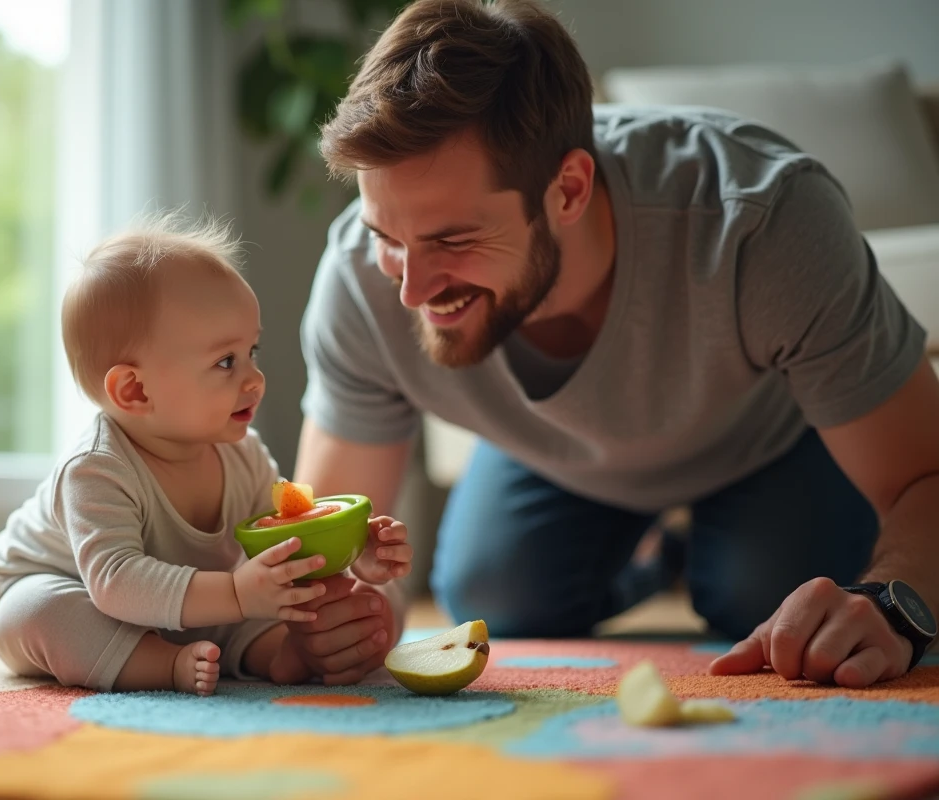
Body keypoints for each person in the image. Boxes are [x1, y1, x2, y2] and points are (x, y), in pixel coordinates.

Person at [287, 0, 939, 689]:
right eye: (387, 236)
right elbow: (332, 547)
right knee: (495, 601)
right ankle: (661, 555)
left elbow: (926, 478)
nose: (412, 290)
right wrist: (335, 622)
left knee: (770, 605)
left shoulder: (763, 222)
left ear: (567, 189)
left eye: (453, 240)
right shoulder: (360, 278)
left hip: (770, 443)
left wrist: (892, 605)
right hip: (556, 461)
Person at [0, 213, 411, 695]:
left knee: (255, 605)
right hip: (64, 588)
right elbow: (115, 582)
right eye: (226, 361)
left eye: (253, 352)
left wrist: (351, 554)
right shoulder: (96, 469)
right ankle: (163, 666)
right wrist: (234, 594)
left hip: (191, 604)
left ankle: (282, 658)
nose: (254, 379)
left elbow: (281, 551)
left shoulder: (243, 456)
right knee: (44, 612)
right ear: (135, 391)